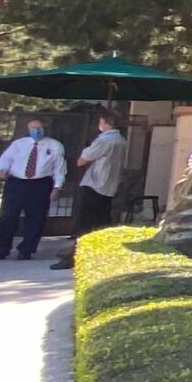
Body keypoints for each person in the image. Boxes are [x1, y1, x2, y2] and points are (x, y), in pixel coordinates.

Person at [52, 113, 127, 269]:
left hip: (95, 183)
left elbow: (82, 160)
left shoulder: (105, 140)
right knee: (102, 221)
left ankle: (76, 256)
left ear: (106, 123)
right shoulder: (121, 141)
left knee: (84, 222)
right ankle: (100, 254)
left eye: (100, 121)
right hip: (109, 185)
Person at [0, 118, 67, 262]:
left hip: (40, 184)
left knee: (35, 218)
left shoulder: (55, 146)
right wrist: (1, 169)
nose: (36, 131)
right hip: (17, 182)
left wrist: (57, 187)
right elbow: (6, 159)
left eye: (39, 128)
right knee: (8, 216)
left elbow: (59, 168)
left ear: (44, 128)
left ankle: (27, 250)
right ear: (28, 128)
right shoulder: (19, 144)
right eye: (33, 128)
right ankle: (1, 249)